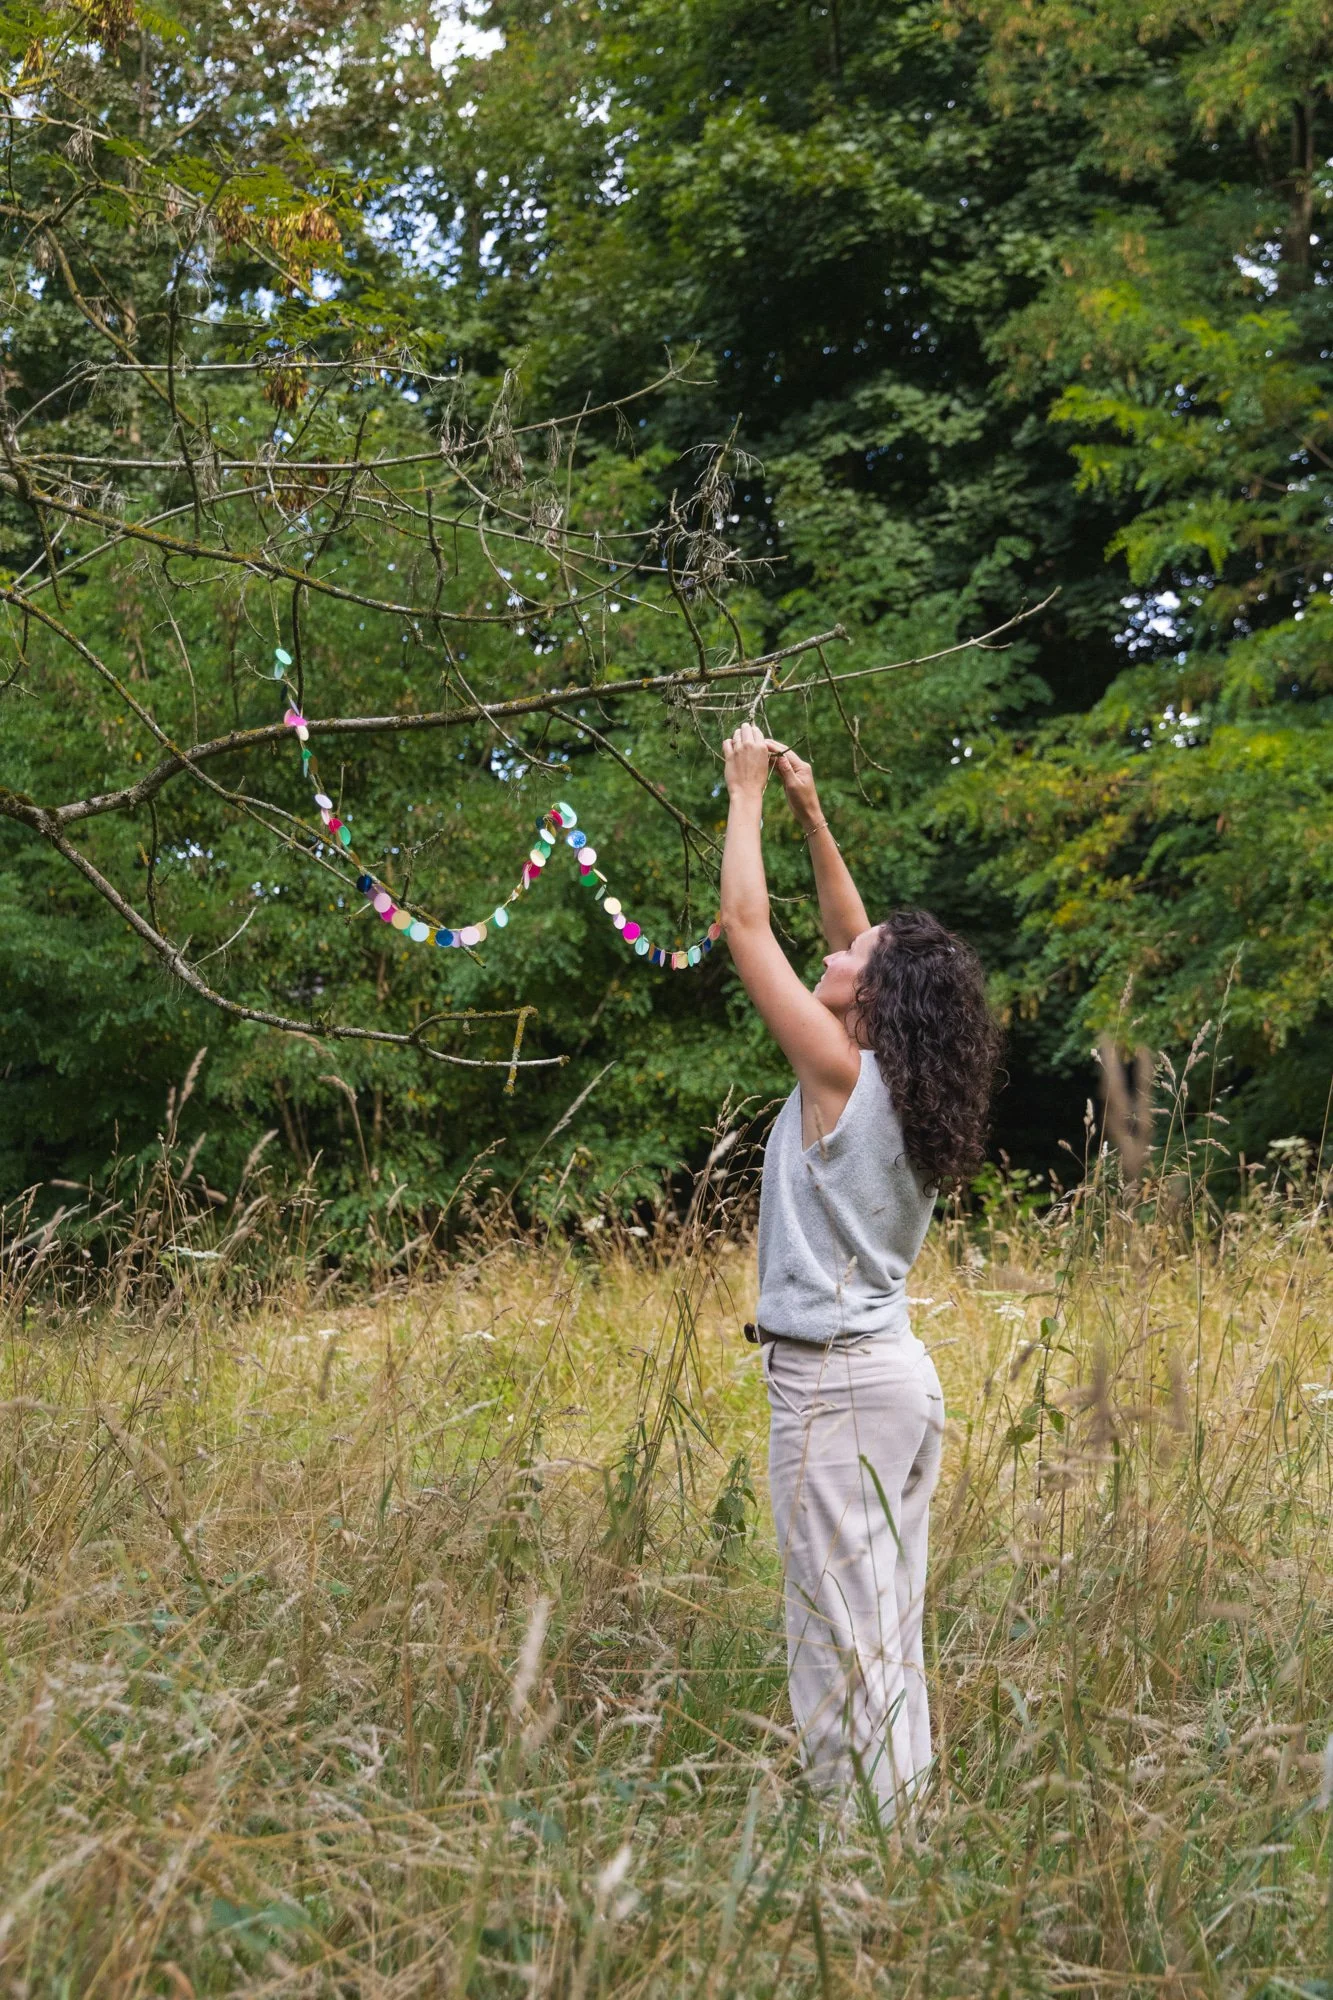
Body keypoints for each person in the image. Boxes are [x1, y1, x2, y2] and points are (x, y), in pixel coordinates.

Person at [719, 720, 1001, 1825]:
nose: (834, 949)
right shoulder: (900, 1082)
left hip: (833, 1387)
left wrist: (744, 791)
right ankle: (904, 1842)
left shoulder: (840, 1074)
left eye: (852, 959)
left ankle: (860, 1864)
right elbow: (853, 935)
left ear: (869, 1001)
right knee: (883, 1631)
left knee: (835, 1648)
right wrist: (811, 813)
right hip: (891, 1381)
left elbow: (746, 926)